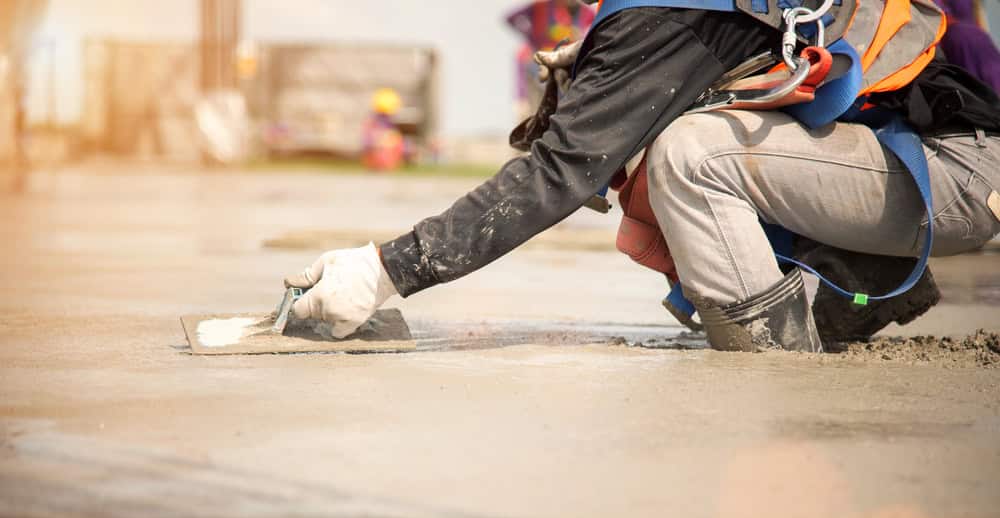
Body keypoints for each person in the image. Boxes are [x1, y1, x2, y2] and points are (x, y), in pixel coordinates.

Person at [284, 0, 1000, 351]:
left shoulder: (668, 13)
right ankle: (858, 276)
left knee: (689, 155)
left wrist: (385, 270)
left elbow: (559, 172)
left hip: (954, 172)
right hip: (920, 163)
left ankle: (776, 359)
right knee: (664, 171)